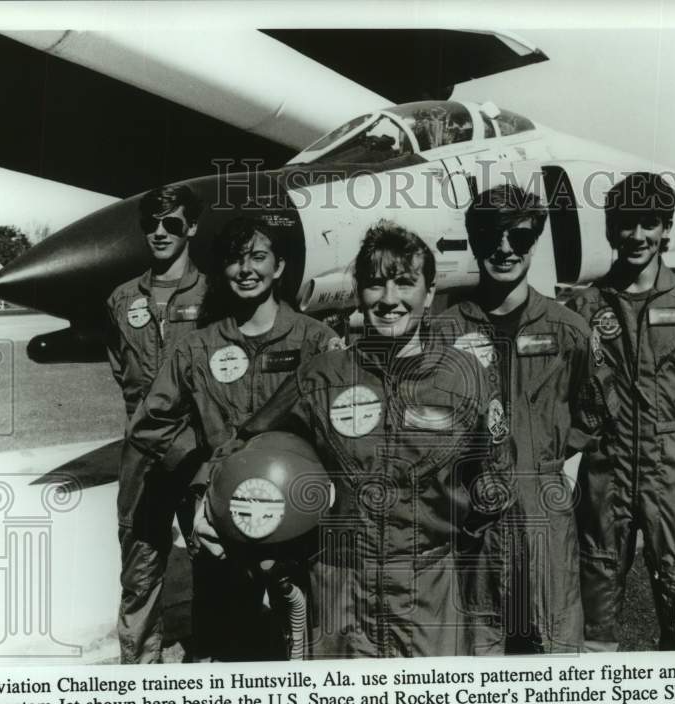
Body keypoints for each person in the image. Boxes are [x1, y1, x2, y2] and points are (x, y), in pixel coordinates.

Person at [195, 220, 513, 658]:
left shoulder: (466, 378)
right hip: (340, 584)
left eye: (404, 283)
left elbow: (494, 480)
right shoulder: (323, 376)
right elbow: (248, 440)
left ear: (430, 287)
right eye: (374, 284)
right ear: (358, 290)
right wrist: (209, 498)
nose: (388, 300)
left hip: (429, 588)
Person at [121, 213, 341, 661]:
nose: (246, 270)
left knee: (311, 642)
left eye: (258, 257)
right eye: (235, 260)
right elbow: (150, 423)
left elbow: (345, 427)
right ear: (222, 270)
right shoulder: (196, 348)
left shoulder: (317, 342)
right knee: (228, 646)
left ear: (278, 267)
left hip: (302, 522)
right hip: (223, 523)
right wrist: (203, 472)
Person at [566, 171, 675, 651]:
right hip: (607, 469)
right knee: (595, 586)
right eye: (626, 224)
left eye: (649, 224)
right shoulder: (583, 310)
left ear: (666, 229)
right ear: (610, 230)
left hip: (674, 473)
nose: (637, 236)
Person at [432, 184, 602, 654]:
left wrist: (536, 455)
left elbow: (591, 412)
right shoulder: (443, 332)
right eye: (491, 236)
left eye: (520, 237)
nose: (505, 249)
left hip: (542, 513)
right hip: (468, 522)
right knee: (474, 651)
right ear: (473, 239)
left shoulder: (568, 331)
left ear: (534, 242)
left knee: (550, 649)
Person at [105, 183, 206, 663]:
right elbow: (121, 372)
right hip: (143, 455)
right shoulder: (122, 301)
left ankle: (217, 658)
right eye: (151, 223)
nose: (160, 232)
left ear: (192, 227)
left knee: (215, 558)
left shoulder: (216, 295)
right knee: (140, 568)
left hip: (198, 452)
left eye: (171, 223)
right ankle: (140, 675)